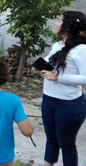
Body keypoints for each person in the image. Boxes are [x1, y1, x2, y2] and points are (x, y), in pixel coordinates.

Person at [38, 11, 86, 166]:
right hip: (48, 99)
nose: (55, 22)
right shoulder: (58, 45)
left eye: (59, 20)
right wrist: (38, 66)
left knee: (66, 144)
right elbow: (48, 62)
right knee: (51, 139)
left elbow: (85, 77)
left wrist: (59, 77)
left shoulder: (81, 50)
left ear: (67, 26)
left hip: (70, 104)